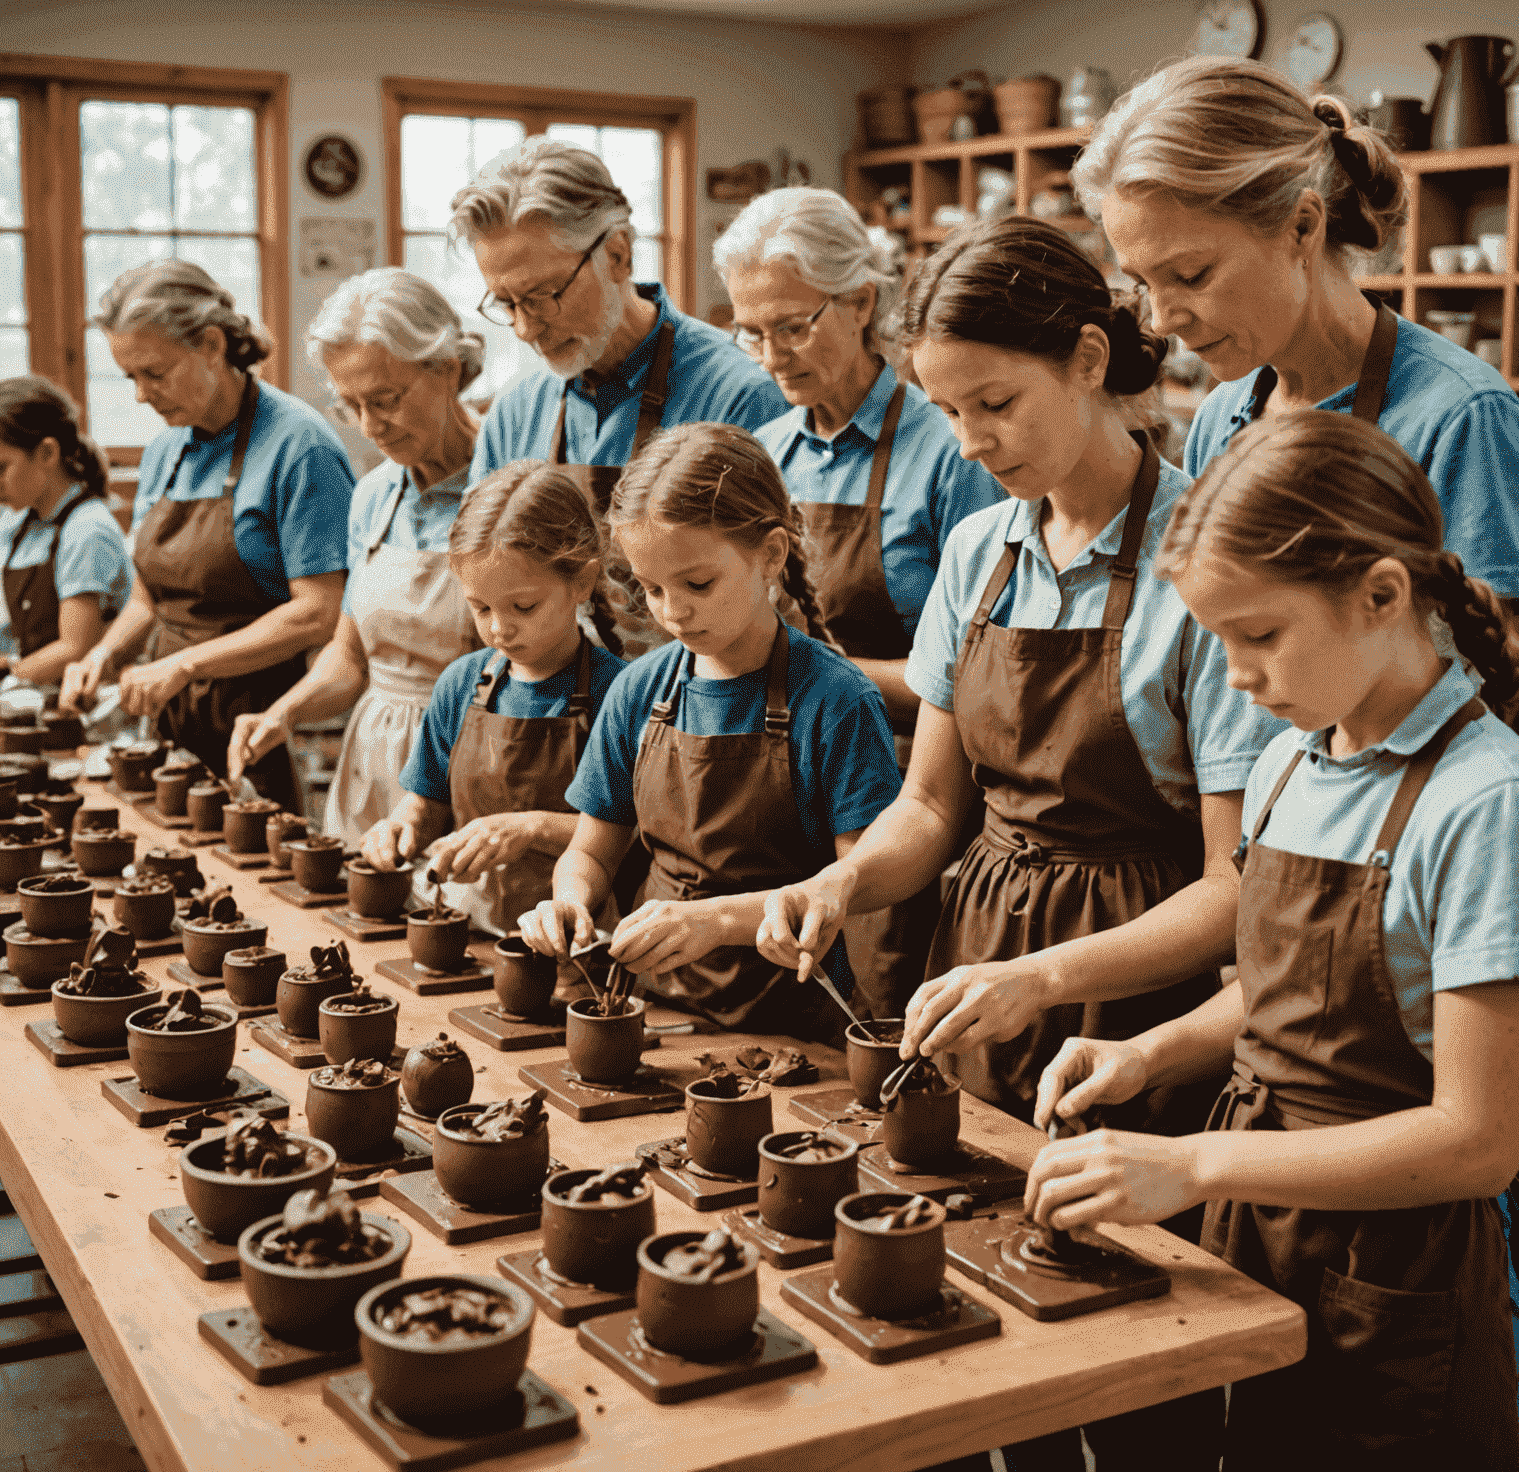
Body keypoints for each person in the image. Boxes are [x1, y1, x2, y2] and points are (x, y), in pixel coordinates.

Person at [1027, 411, 1519, 1471]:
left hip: (1396, 1261)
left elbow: (1481, 1139)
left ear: (1384, 594)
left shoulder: (1483, 804)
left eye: (1261, 635)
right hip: (1259, 1221)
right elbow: (1284, 991)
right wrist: (1150, 1054)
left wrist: (1198, 1162)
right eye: (1218, 641)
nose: (1240, 676)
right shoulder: (1289, 766)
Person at [759, 216, 1280, 1128]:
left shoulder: (1206, 561)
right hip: (976, 960)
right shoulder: (978, 551)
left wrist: (1043, 978)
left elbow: (1233, 889)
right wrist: (839, 884)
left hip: (1132, 995)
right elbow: (929, 808)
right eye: (949, 413)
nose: (969, 444)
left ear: (1087, 358)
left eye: (995, 404)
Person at [1073, 55, 1519, 640]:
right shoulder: (1222, 418)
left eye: (1191, 275)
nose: (1162, 321)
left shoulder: (1460, 419)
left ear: (1302, 227)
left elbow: (1510, 691)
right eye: (1144, 284)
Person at [716, 188, 1006, 1017]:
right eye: (752, 330)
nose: (770, 354)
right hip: (784, 782)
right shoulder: (766, 455)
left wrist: (835, 678)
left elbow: (983, 677)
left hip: (914, 790)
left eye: (793, 325)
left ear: (862, 302)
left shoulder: (948, 446)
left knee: (881, 1023)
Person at [519, 423, 903, 1041]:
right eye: (651, 588)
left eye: (697, 584)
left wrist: (717, 921)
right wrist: (569, 900)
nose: (673, 611)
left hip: (791, 1023)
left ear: (771, 554)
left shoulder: (836, 700)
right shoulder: (640, 691)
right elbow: (591, 850)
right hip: (654, 1009)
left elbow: (859, 889)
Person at [58, 261, 354, 810]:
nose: (143, 395)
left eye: (156, 373)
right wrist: (104, 653)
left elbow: (321, 611)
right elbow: (149, 596)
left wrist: (187, 664)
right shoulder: (166, 450)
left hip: (257, 718)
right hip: (172, 717)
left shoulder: (299, 447)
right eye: (131, 378)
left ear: (213, 345)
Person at [226, 269, 482, 843]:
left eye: (386, 400)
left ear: (446, 369)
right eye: (350, 406)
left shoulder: (509, 482)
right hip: (373, 762)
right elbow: (350, 661)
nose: (370, 426)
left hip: (475, 764)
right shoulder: (374, 495)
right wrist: (283, 714)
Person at [359, 461, 626, 942]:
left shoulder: (622, 694)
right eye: (480, 607)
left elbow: (634, 834)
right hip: (464, 933)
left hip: (577, 942)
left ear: (583, 582)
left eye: (524, 606)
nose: (499, 628)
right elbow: (425, 806)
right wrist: (399, 830)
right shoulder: (460, 684)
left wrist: (529, 828)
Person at [458, 138, 786, 516]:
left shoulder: (740, 400)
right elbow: (478, 567)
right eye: (506, 303)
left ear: (618, 256)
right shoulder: (515, 411)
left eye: (543, 295)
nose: (525, 330)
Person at [0, 376, 131, 684]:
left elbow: (75, 648)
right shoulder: (21, 525)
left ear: (47, 453)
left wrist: (10, 672)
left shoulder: (88, 530)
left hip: (83, 709)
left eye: (1, 468)